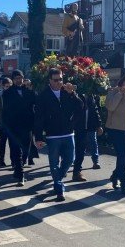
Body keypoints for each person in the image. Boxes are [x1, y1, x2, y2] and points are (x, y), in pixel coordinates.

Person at [33, 68, 83, 201]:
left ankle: (57, 180)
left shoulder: (67, 92)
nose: (59, 82)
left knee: (70, 159)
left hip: (68, 132)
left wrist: (72, 93)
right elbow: (38, 118)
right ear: (49, 80)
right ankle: (59, 187)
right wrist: (38, 137)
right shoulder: (43, 96)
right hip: (52, 134)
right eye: (56, 80)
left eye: (61, 79)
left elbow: (80, 107)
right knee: (54, 162)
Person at [1, 70, 36, 187]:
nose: (19, 80)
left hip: (27, 126)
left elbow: (36, 102)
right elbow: (5, 111)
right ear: (13, 80)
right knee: (17, 151)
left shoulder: (28, 92)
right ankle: (21, 176)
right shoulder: (7, 93)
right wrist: (6, 126)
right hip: (13, 126)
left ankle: (17, 169)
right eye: (16, 78)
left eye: (20, 77)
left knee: (26, 149)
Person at [72, 90, 103, 182]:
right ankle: (74, 169)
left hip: (90, 126)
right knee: (79, 149)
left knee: (92, 142)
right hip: (79, 127)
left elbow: (95, 110)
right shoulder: (75, 94)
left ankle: (93, 162)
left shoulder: (91, 95)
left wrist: (99, 125)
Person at [0, 77, 12, 167]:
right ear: (3, 86)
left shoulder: (14, 95)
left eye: (10, 86)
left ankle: (13, 160)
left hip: (12, 124)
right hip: (3, 124)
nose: (8, 87)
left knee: (12, 144)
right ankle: (2, 160)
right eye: (6, 86)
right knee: (3, 143)